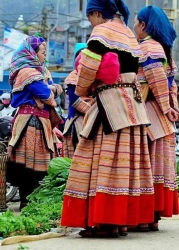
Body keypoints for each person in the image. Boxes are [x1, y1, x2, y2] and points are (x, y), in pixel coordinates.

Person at [61, 0, 155, 238]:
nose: (91, 22)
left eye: (90, 17)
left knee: (100, 158)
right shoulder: (128, 34)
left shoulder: (101, 32)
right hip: (132, 104)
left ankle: (105, 222)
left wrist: (83, 89)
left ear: (96, 13)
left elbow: (89, 67)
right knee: (125, 163)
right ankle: (121, 221)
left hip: (109, 103)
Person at [133, 5, 179, 231]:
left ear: (143, 25)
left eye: (135, 22)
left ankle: (144, 217)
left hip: (148, 113)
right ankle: (151, 217)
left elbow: (157, 82)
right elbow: (171, 87)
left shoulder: (148, 48)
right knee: (157, 168)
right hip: (163, 117)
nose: (133, 26)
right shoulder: (164, 50)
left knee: (146, 167)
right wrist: (171, 108)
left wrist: (164, 106)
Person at [6, 35, 62, 210]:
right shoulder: (27, 72)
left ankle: (32, 202)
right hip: (31, 123)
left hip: (40, 122)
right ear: (32, 53)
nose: (45, 56)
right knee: (29, 166)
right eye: (43, 52)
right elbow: (47, 95)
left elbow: (49, 91)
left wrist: (51, 90)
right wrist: (52, 90)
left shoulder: (41, 71)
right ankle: (26, 202)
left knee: (38, 166)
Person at [62, 43, 90, 158]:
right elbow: (74, 100)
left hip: (90, 119)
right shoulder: (73, 77)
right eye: (80, 56)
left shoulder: (91, 75)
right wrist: (93, 111)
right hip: (78, 120)